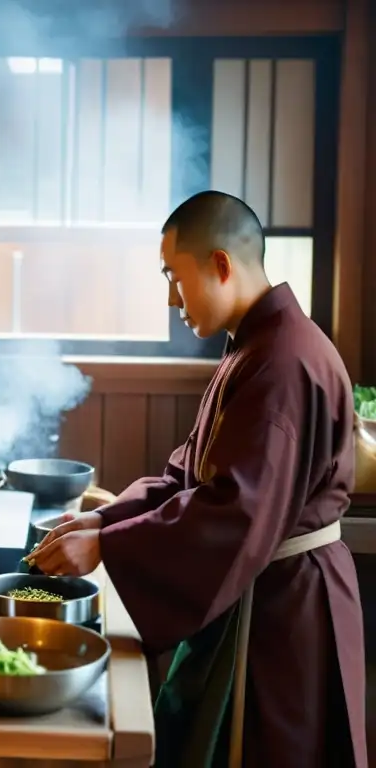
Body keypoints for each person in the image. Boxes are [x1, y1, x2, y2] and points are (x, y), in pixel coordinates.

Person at [28, 191, 366, 767]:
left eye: (172, 277)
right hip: (261, 589)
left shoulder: (284, 360)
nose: (169, 298)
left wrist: (109, 546)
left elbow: (233, 513)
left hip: (284, 611)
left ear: (220, 265)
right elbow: (188, 475)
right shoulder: (257, 347)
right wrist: (102, 519)